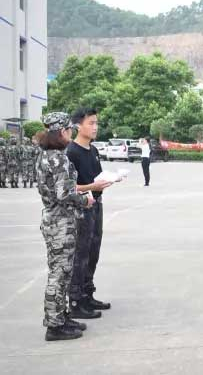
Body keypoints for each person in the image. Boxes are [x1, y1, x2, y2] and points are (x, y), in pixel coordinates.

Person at [36, 112, 94, 341]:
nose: (71, 133)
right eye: (69, 130)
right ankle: (54, 325)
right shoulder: (58, 159)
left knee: (62, 272)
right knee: (59, 274)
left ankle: (62, 316)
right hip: (61, 222)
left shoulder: (45, 156)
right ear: (62, 132)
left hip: (53, 219)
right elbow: (64, 194)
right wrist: (85, 200)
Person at [66, 108, 113, 317]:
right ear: (78, 126)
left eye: (96, 123)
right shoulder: (71, 152)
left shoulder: (92, 150)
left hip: (96, 205)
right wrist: (92, 186)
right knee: (81, 254)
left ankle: (87, 294)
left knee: (93, 251)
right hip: (81, 208)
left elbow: (97, 177)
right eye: (91, 123)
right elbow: (68, 187)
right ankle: (76, 301)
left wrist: (109, 179)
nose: (95, 127)